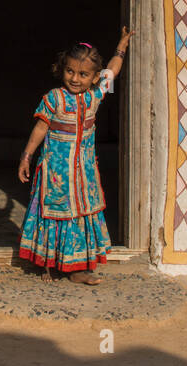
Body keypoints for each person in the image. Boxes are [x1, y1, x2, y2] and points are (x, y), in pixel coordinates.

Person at [17, 28, 132, 284]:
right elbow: (40, 128)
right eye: (70, 71)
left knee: (80, 215)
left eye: (83, 74)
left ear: (94, 77)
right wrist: (26, 157)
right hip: (55, 174)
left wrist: (121, 47)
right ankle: (47, 264)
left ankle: (77, 270)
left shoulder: (95, 97)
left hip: (84, 175)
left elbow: (113, 70)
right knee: (53, 215)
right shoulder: (54, 98)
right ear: (62, 69)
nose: (75, 78)